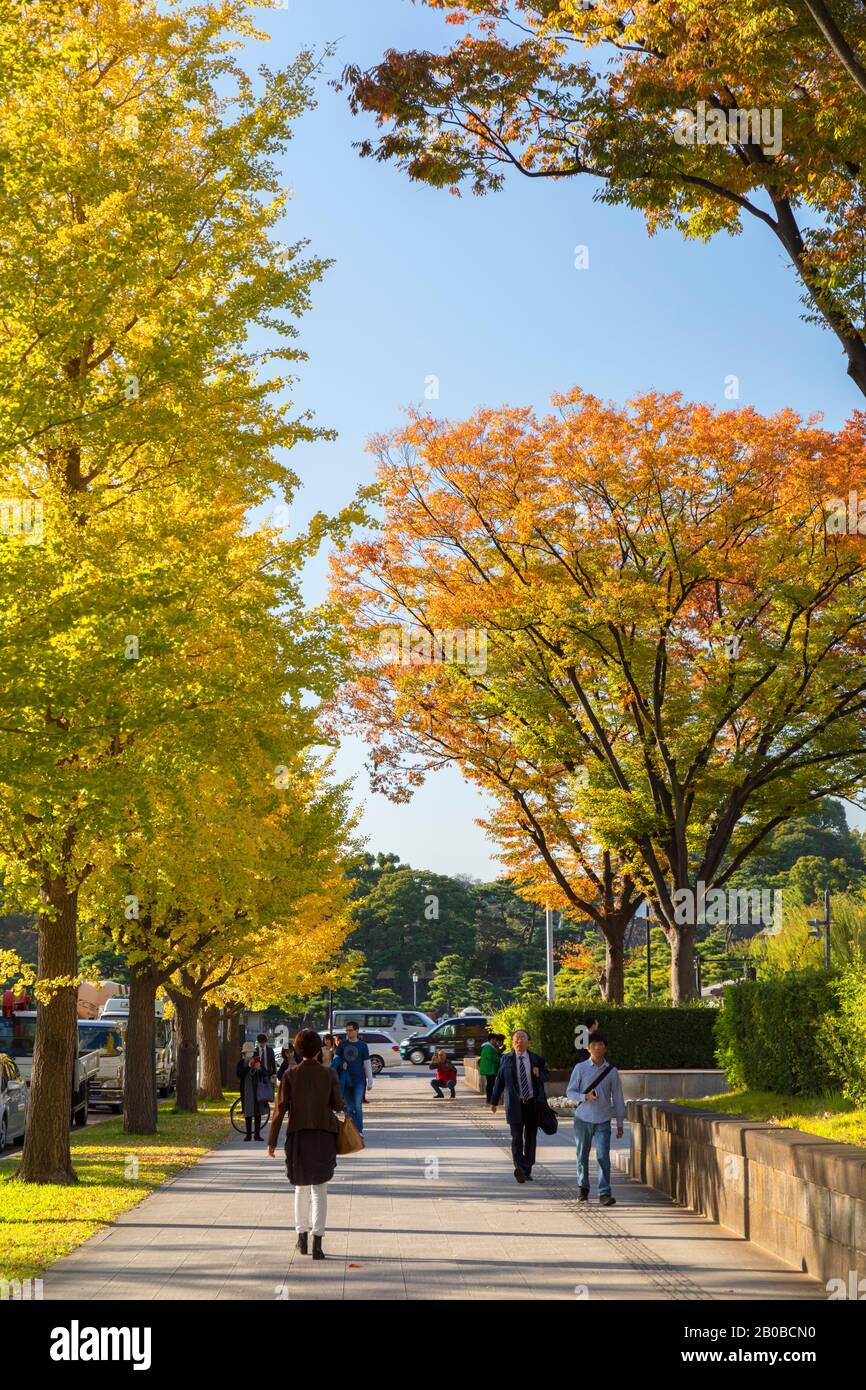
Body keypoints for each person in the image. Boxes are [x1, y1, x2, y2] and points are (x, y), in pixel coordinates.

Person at [268, 1029, 343, 1260]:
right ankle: (317, 1243)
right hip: (323, 1135)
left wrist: (271, 1141)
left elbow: (280, 1110)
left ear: (298, 1049)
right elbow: (338, 1104)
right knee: (320, 1190)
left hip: (298, 1136)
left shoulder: (290, 1075)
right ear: (318, 1049)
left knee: (300, 1188)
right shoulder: (329, 1074)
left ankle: (301, 1237)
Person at [565, 1030, 625, 1207]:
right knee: (581, 1154)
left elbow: (618, 1097)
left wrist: (620, 1122)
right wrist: (585, 1096)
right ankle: (583, 1188)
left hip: (603, 1119)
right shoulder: (580, 1068)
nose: (597, 1047)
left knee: (603, 1156)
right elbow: (570, 1092)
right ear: (588, 1048)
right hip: (583, 1118)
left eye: (600, 1044)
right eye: (593, 1045)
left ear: (605, 1048)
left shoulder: (612, 1071)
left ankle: (604, 1193)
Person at [490, 1029, 550, 1183]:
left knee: (530, 1138)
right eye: (516, 1038)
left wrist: (539, 1074)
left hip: (532, 1103)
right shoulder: (506, 1059)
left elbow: (547, 1075)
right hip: (514, 1104)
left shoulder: (536, 1059)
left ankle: (527, 1168)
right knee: (516, 1138)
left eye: (523, 1038)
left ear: (528, 1041)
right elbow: (499, 1080)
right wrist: (494, 1101)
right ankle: (519, 1167)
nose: (519, 1041)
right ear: (512, 1042)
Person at [334, 1022, 373, 1134]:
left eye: (350, 1030)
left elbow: (367, 1063)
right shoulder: (342, 1045)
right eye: (347, 1030)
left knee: (357, 1105)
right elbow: (335, 1060)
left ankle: (359, 1129)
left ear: (356, 1031)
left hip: (359, 1080)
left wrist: (370, 1080)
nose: (348, 1032)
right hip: (345, 1080)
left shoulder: (362, 1045)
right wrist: (341, 1064)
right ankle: (351, 1129)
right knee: (349, 1107)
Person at [236, 1041, 266, 1142]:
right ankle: (248, 1135)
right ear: (244, 1054)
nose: (250, 1055)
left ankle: (257, 1134)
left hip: (257, 1090)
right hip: (246, 1091)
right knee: (248, 1112)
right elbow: (239, 1075)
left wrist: (259, 1069)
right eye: (248, 1053)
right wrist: (248, 1066)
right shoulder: (241, 1063)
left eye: (252, 1053)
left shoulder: (258, 1062)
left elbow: (265, 1073)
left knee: (258, 1113)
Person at [479, 1032, 504, 1106]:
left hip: (490, 1068)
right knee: (490, 1084)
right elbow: (492, 1058)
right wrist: (501, 1059)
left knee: (491, 1084)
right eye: (495, 1040)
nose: (496, 1042)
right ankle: (489, 1099)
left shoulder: (489, 1047)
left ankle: (490, 1098)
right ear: (491, 1040)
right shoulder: (488, 1047)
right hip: (489, 1069)